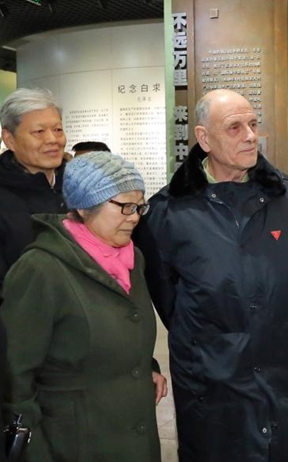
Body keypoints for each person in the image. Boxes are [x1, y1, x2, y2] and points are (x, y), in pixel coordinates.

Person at [136, 89, 288, 461]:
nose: (251, 135)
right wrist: (211, 344)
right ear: (204, 138)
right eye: (235, 127)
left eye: (253, 124)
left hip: (287, 377)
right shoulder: (168, 213)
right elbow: (166, 296)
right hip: (213, 384)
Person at [1, 151, 166, 462]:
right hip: (74, 443)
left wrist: (145, 367)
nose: (134, 216)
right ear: (84, 207)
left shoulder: (132, 259)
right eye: (124, 206)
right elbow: (15, 378)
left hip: (132, 437)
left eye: (139, 206)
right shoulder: (40, 269)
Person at [0, 88, 68, 304]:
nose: (52, 139)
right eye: (39, 132)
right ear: (9, 139)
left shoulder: (82, 187)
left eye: (58, 129)